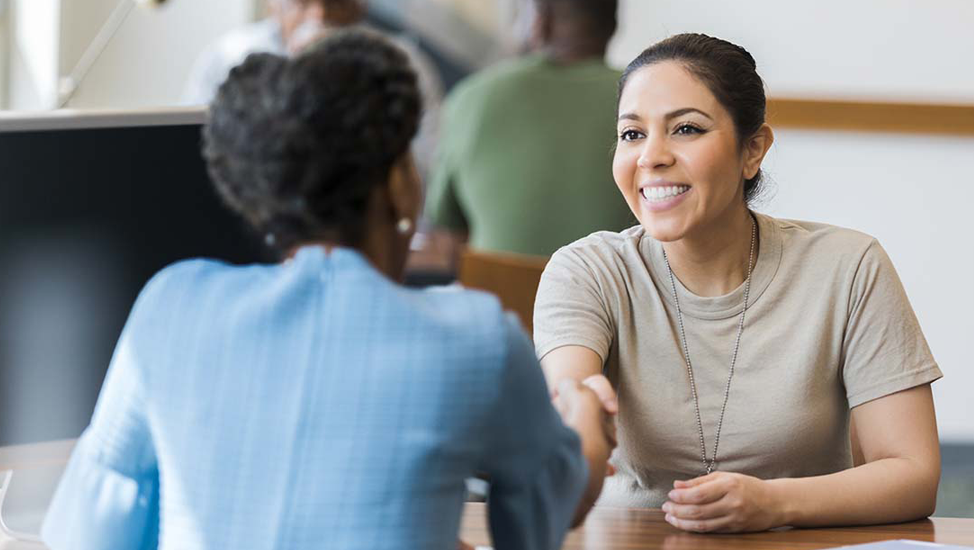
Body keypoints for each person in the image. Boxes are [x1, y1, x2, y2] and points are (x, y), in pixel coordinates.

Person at [41, 29, 614, 550]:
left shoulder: (170, 303)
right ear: (397, 183)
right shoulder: (475, 338)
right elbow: (551, 503)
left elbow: (92, 530)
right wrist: (586, 416)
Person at [534, 33, 943, 533]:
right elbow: (571, 398)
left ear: (753, 150)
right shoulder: (586, 270)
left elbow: (912, 473)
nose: (651, 156)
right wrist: (580, 414)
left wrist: (774, 504)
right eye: (632, 134)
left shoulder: (849, 266)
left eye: (685, 129)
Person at [424, 0, 633, 259]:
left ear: (539, 22)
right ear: (612, 26)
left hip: (499, 295)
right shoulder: (642, 97)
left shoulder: (471, 98)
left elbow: (448, 233)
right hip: (611, 296)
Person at [182, 0, 443, 183]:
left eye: (335, 2)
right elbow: (192, 152)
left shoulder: (403, 64)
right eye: (303, 2)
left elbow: (429, 169)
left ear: (359, 6)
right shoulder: (227, 58)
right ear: (273, 5)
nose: (319, 15)